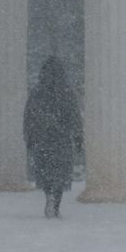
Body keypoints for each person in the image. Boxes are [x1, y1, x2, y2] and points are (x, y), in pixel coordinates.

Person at [23, 56, 82, 219]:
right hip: (61, 140)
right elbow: (75, 116)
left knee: (46, 173)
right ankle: (55, 204)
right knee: (61, 175)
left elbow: (29, 115)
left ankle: (49, 196)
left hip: (42, 140)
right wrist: (78, 138)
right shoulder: (67, 92)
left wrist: (29, 137)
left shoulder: (37, 91)